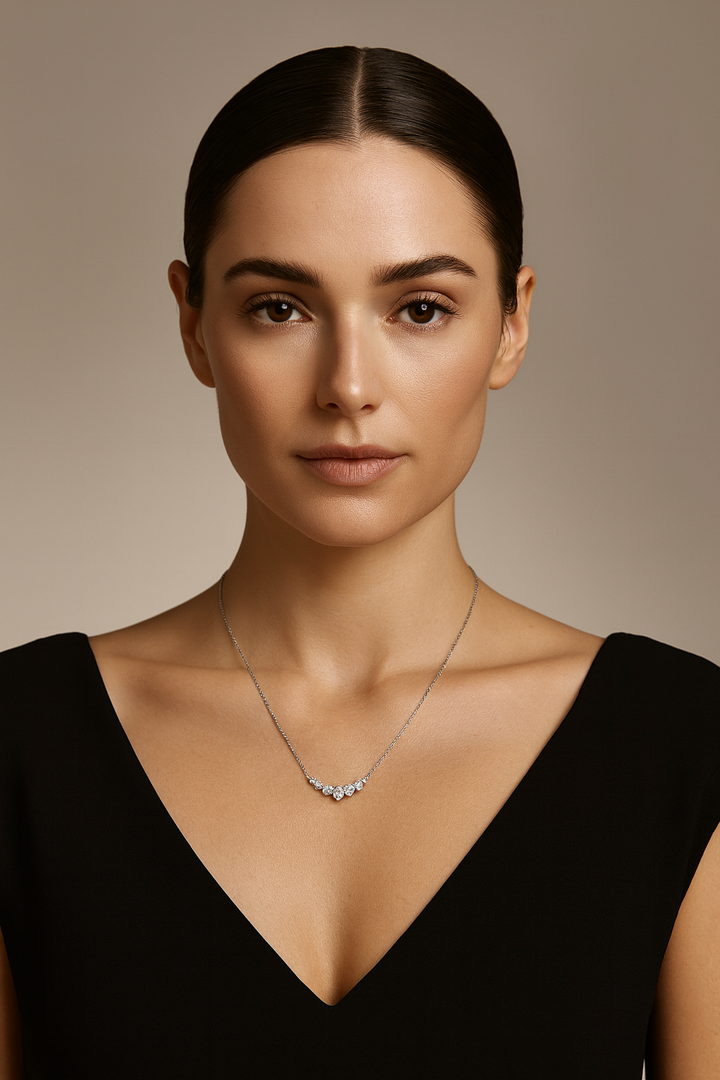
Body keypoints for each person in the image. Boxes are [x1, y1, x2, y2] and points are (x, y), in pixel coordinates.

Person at [0, 45, 718, 1079]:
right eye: (278, 307)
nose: (347, 385)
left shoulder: (680, 747)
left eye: (419, 308)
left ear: (511, 323)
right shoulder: (20, 743)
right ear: (193, 324)